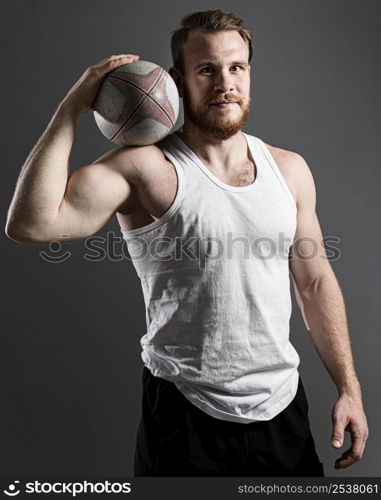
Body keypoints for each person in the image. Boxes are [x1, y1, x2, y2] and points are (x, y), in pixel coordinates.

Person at [5, 8, 368, 477]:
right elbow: (31, 224)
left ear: (249, 73)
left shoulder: (289, 169)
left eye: (236, 67)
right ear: (177, 80)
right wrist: (71, 109)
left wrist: (349, 388)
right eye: (206, 69)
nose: (224, 83)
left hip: (282, 409)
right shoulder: (143, 169)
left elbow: (315, 282)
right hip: (184, 414)